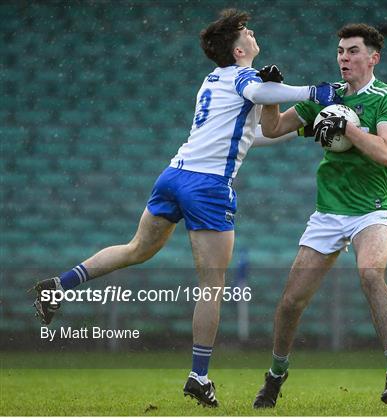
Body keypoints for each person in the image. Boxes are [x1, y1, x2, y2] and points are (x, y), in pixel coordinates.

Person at [31, 9, 341, 408]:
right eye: (247, 30)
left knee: (135, 250)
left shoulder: (214, 79)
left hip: (174, 175)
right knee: (212, 285)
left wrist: (298, 127)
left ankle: (57, 286)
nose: (252, 32)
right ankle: (198, 376)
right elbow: (259, 94)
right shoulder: (244, 78)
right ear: (238, 47)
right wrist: (312, 93)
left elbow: (249, 137)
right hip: (207, 186)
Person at [252, 23, 387, 408]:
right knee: (291, 301)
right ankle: (275, 375)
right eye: (341, 51)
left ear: (373, 57)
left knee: (371, 273)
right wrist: (271, 95)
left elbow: (386, 152)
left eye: (353, 51)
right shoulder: (328, 96)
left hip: (371, 210)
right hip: (328, 213)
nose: (344, 58)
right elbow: (271, 129)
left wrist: (349, 129)